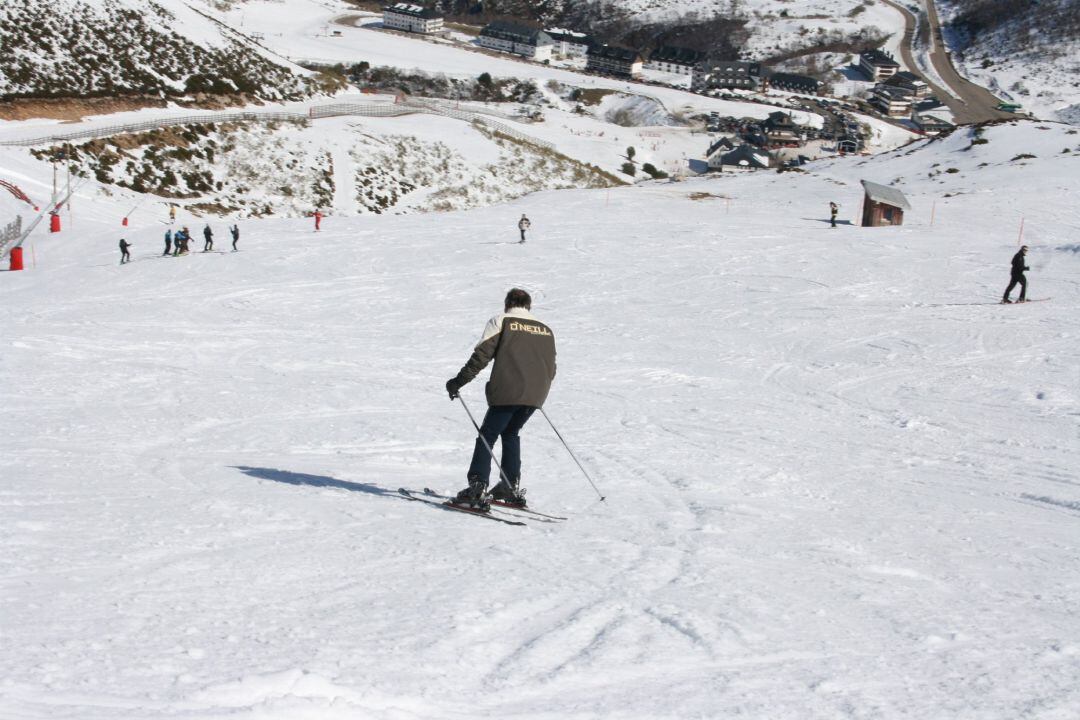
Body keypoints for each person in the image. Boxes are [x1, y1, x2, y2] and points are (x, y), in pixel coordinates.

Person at [445, 288, 557, 510]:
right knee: (511, 432)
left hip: (508, 391)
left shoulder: (501, 321)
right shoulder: (546, 329)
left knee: (487, 436)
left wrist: (458, 382)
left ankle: (477, 487)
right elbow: (551, 367)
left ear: (507, 303)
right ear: (529, 306)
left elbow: (481, 356)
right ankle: (509, 486)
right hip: (537, 394)